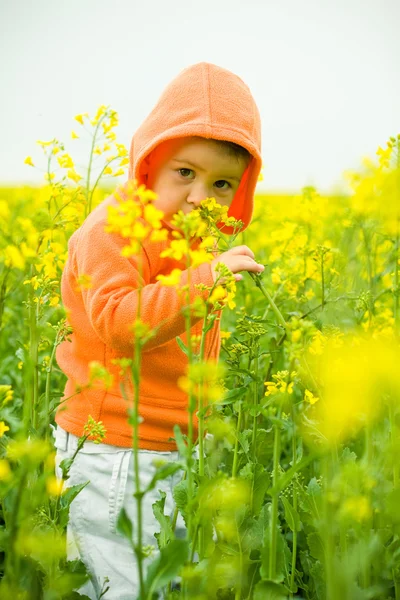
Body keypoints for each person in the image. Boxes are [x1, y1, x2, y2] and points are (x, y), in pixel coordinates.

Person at [53, 61, 264, 599]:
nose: (200, 197)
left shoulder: (193, 239)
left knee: (173, 582)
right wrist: (205, 280)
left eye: (221, 184)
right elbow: (122, 323)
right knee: (126, 587)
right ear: (149, 163)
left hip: (176, 445)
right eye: (185, 173)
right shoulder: (110, 230)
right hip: (115, 450)